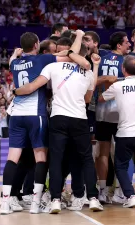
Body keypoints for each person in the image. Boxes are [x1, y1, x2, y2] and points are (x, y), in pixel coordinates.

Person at [0, 30, 90, 215]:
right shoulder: (42, 59)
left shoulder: (15, 63)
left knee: (12, 158)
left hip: (16, 114)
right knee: (40, 158)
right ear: (36, 46)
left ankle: (5, 202)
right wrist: (75, 41)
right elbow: (69, 56)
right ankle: (35, 202)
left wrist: (14, 55)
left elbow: (12, 63)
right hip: (36, 114)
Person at [14, 45, 103, 213]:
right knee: (86, 160)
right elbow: (88, 99)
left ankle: (55, 199)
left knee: (56, 160)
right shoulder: (88, 72)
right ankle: (92, 198)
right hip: (79, 118)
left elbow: (33, 86)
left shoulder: (52, 66)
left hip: (58, 117)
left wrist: (15, 90)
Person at [98, 55, 135, 208]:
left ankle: (130, 196)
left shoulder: (117, 86)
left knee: (121, 166)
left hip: (126, 133)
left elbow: (101, 99)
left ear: (123, 69)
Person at [95, 31, 131, 204]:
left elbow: (93, 81)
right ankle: (120, 191)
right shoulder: (128, 61)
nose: (129, 44)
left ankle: (102, 191)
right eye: (126, 42)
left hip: (102, 111)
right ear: (119, 45)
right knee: (122, 154)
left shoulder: (101, 58)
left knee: (102, 153)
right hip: (121, 113)